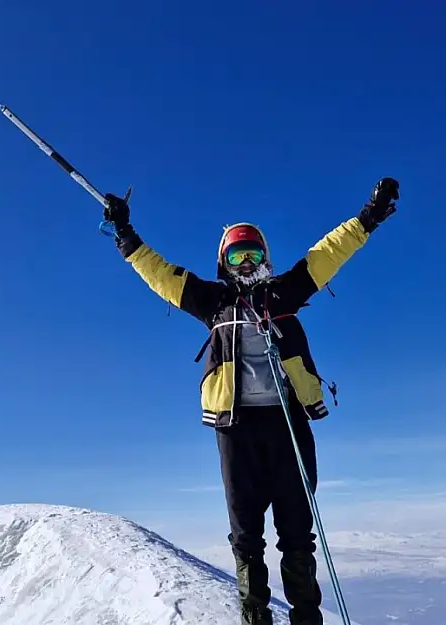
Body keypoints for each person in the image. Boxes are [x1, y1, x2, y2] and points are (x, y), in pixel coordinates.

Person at [102, 177, 400, 625]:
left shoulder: (285, 292)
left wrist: (369, 216)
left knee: (297, 531)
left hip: (288, 422)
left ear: (265, 259)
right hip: (236, 430)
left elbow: (328, 253)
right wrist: (126, 234)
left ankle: (306, 619)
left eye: (253, 254)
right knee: (246, 536)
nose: (245, 264)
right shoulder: (212, 302)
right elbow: (160, 274)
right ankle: (255, 618)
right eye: (237, 256)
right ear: (223, 262)